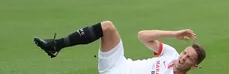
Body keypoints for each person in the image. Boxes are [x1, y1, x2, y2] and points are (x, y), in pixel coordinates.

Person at [33, 20, 206, 74]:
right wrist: (174, 34)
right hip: (119, 64)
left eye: (189, 58)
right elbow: (142, 36)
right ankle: (56, 45)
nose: (183, 57)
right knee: (107, 27)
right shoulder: (171, 54)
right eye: (185, 53)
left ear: (194, 66)